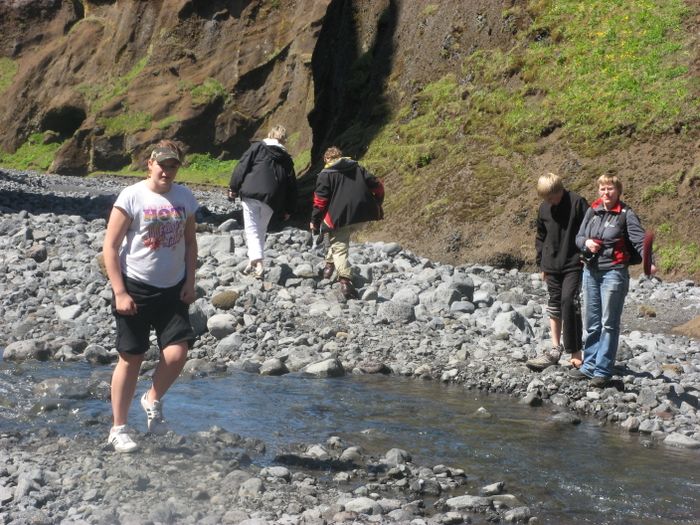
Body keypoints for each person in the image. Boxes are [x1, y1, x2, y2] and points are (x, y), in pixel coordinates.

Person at [102, 140, 198, 452]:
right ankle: (118, 428)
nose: (167, 171)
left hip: (173, 289)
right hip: (136, 288)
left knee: (177, 354)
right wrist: (120, 292)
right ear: (150, 164)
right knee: (131, 358)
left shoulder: (185, 197)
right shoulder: (132, 196)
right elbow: (110, 247)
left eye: (173, 166)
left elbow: (190, 243)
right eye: (163, 165)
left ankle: (151, 399)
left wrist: (190, 282)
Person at [569, 173, 654, 388]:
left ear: (618, 191)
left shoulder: (626, 214)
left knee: (608, 323)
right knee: (592, 322)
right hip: (590, 271)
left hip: (614, 273)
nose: (606, 193)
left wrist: (649, 262)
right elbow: (578, 238)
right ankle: (589, 365)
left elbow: (639, 241)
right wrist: (587, 242)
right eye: (602, 189)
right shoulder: (593, 210)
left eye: (610, 189)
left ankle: (603, 370)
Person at [526, 173, 588, 371]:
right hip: (550, 264)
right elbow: (540, 236)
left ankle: (575, 350)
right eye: (546, 199)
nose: (550, 202)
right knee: (554, 303)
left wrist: (586, 255)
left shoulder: (577, 203)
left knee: (569, 301)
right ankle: (555, 348)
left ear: (560, 190)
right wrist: (541, 264)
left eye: (552, 197)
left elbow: (589, 229)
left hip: (573, 262)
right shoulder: (544, 207)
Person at [310, 146, 384, 299]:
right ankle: (329, 266)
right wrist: (377, 202)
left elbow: (320, 202)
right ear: (341, 156)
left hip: (340, 216)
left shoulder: (325, 175)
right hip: (362, 213)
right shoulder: (357, 167)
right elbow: (378, 186)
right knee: (334, 236)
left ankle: (345, 281)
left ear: (326, 159)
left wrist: (314, 221)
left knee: (339, 246)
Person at [228, 125, 297, 279]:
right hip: (273, 197)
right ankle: (254, 261)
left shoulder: (257, 147)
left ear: (270, 134)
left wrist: (233, 187)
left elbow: (242, 167)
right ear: (284, 139)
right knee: (260, 229)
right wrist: (289, 208)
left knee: (252, 228)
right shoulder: (286, 158)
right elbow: (292, 184)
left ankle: (257, 262)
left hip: (250, 192)